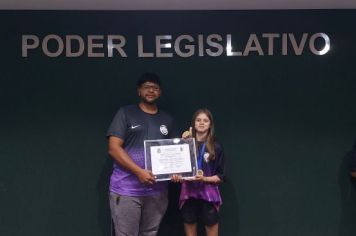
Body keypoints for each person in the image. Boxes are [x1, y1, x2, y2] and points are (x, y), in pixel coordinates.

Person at [106, 73, 174, 236]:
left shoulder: (167, 119)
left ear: (160, 92)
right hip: (126, 189)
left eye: (155, 88)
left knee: (149, 233)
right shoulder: (125, 113)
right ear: (139, 91)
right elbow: (114, 148)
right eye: (147, 87)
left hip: (157, 192)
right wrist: (139, 172)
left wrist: (177, 172)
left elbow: (173, 153)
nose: (151, 90)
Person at [173, 108, 226, 236]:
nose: (202, 123)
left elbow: (221, 177)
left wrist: (204, 179)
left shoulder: (216, 147)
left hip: (209, 196)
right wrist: (176, 176)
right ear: (193, 123)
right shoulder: (184, 145)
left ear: (210, 124)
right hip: (188, 194)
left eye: (205, 120)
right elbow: (176, 169)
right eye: (198, 120)